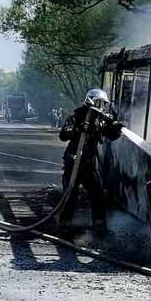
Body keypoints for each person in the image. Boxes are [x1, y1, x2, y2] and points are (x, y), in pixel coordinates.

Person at [57, 87, 124, 234]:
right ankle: (64, 225)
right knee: (71, 194)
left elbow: (110, 135)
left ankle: (99, 226)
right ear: (92, 101)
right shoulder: (78, 115)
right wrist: (77, 129)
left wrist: (116, 129)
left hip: (88, 163)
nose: (102, 107)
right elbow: (63, 135)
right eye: (99, 103)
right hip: (73, 161)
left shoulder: (100, 119)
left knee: (97, 194)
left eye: (103, 104)